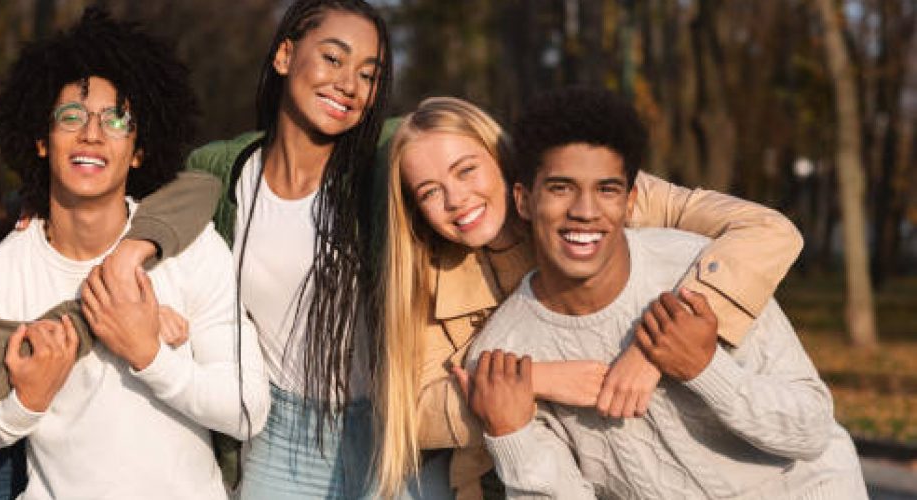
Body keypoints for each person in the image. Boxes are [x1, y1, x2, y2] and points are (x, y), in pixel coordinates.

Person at [374, 96, 806, 499]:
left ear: (500, 157)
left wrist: (657, 345)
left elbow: (766, 232)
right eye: (429, 191)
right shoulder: (424, 274)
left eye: (466, 170)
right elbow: (410, 412)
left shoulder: (594, 192)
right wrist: (536, 380)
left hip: (658, 441)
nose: (456, 199)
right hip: (512, 469)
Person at [462, 87, 865, 498]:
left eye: (606, 189)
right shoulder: (505, 353)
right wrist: (512, 437)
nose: (585, 210)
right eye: (561, 188)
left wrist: (707, 369)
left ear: (630, 200)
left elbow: (812, 431)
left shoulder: (695, 268)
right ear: (525, 200)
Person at [0, 9, 269, 499]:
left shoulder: (192, 247)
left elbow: (247, 409)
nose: (92, 133)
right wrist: (27, 400)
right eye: (72, 116)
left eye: (117, 120)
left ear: (138, 149)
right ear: (41, 140)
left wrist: (148, 354)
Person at [0, 112, 215, 496]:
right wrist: (115, 312)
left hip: (74, 436)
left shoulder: (39, 218)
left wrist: (129, 257)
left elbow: (198, 189)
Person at [180, 1, 393, 497]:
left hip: (392, 426)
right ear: (283, 56)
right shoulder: (222, 170)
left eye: (369, 74)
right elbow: (143, 205)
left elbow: (450, 145)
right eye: (333, 59)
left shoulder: (381, 167)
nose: (349, 84)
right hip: (283, 432)